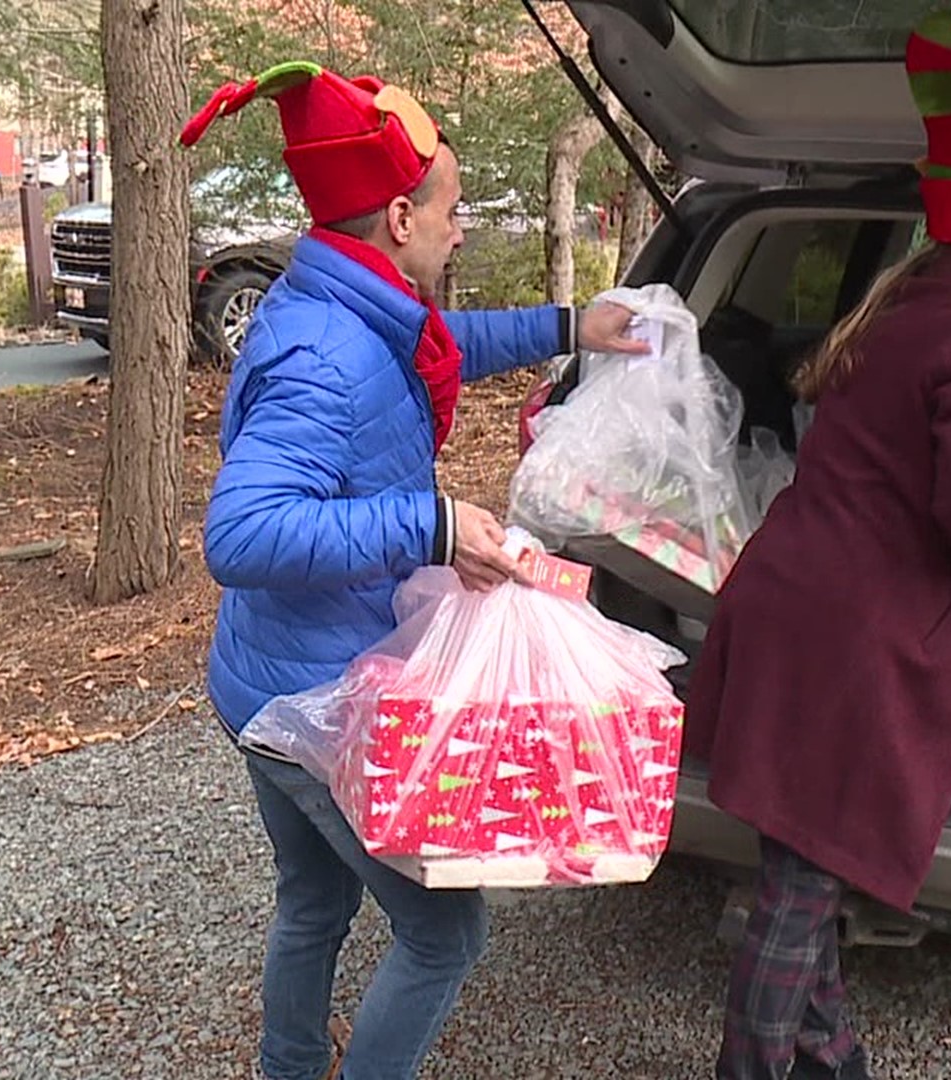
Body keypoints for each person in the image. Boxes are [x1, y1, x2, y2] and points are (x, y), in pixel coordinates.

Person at [178, 62, 648, 1080]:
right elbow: (242, 533)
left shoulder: (359, 309)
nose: (463, 226)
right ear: (398, 217)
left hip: (267, 678)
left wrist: (575, 330)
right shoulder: (323, 352)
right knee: (446, 938)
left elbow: (442, 348)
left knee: (315, 900)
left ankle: (287, 1067)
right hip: (306, 701)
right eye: (454, 208)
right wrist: (429, 525)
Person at [682, 12, 951, 1079]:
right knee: (799, 891)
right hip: (852, 651)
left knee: (802, 867)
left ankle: (834, 1060)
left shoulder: (915, 299)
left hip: (796, 607)